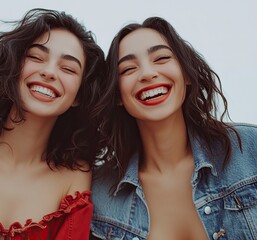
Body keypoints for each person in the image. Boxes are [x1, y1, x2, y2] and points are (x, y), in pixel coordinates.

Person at [0, 8, 105, 239]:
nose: (49, 72)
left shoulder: (74, 178)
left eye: (68, 68)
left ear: (78, 96)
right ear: (14, 68)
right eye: (36, 57)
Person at [90, 16, 257, 240]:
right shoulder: (99, 194)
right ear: (117, 95)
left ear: (186, 73)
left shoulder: (249, 149)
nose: (148, 74)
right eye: (128, 69)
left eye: (161, 58)